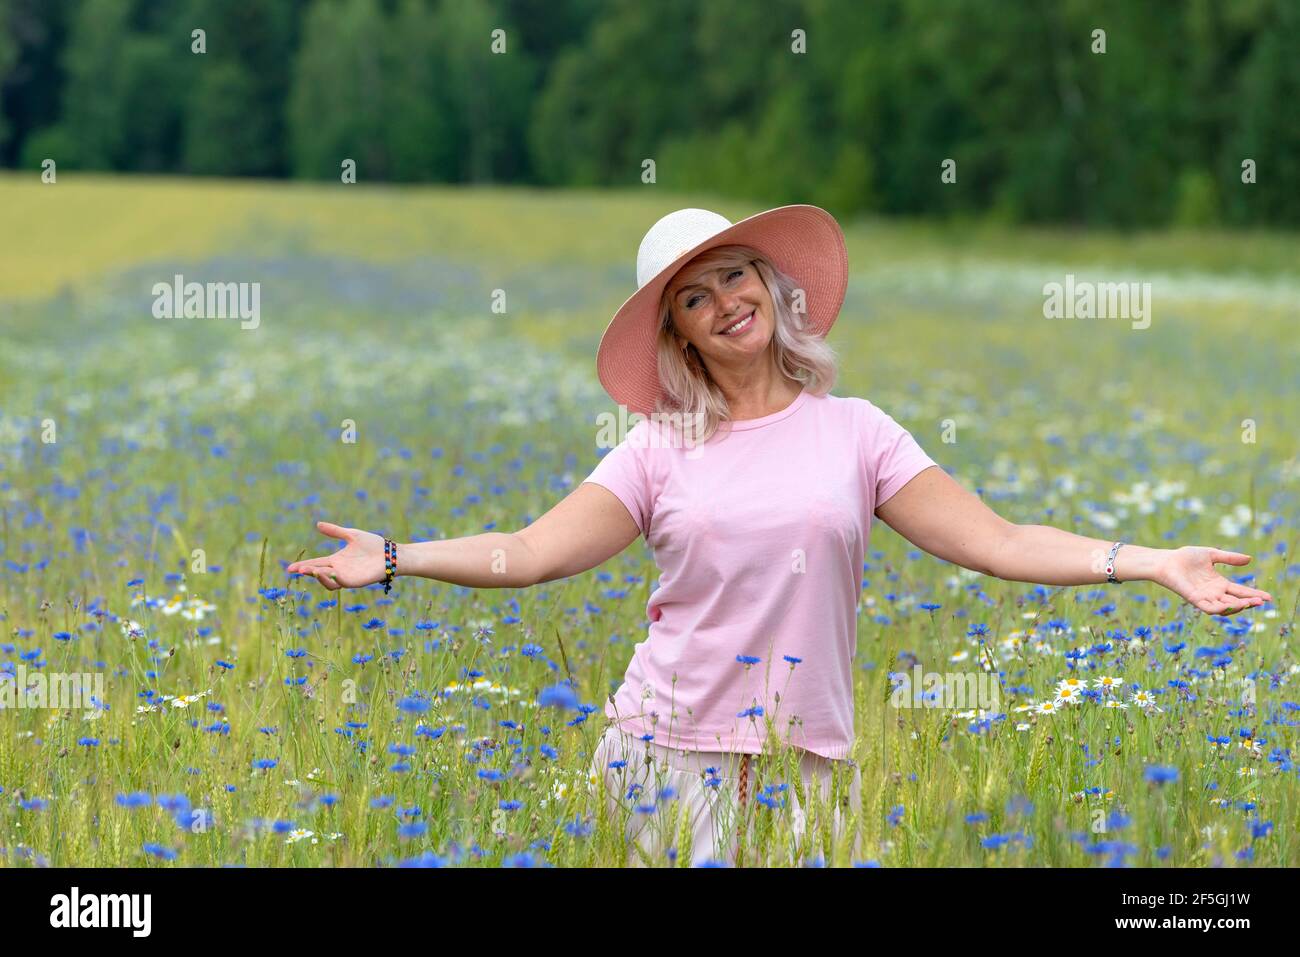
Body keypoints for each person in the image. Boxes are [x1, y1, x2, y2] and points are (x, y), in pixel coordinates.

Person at [286, 205, 1273, 867]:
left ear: (770, 284)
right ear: (675, 334)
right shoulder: (656, 449)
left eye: (733, 278)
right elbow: (535, 551)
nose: (724, 304)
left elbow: (999, 540)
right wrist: (398, 558)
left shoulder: (857, 432)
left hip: (813, 759)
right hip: (665, 757)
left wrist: (1147, 563)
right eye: (693, 298)